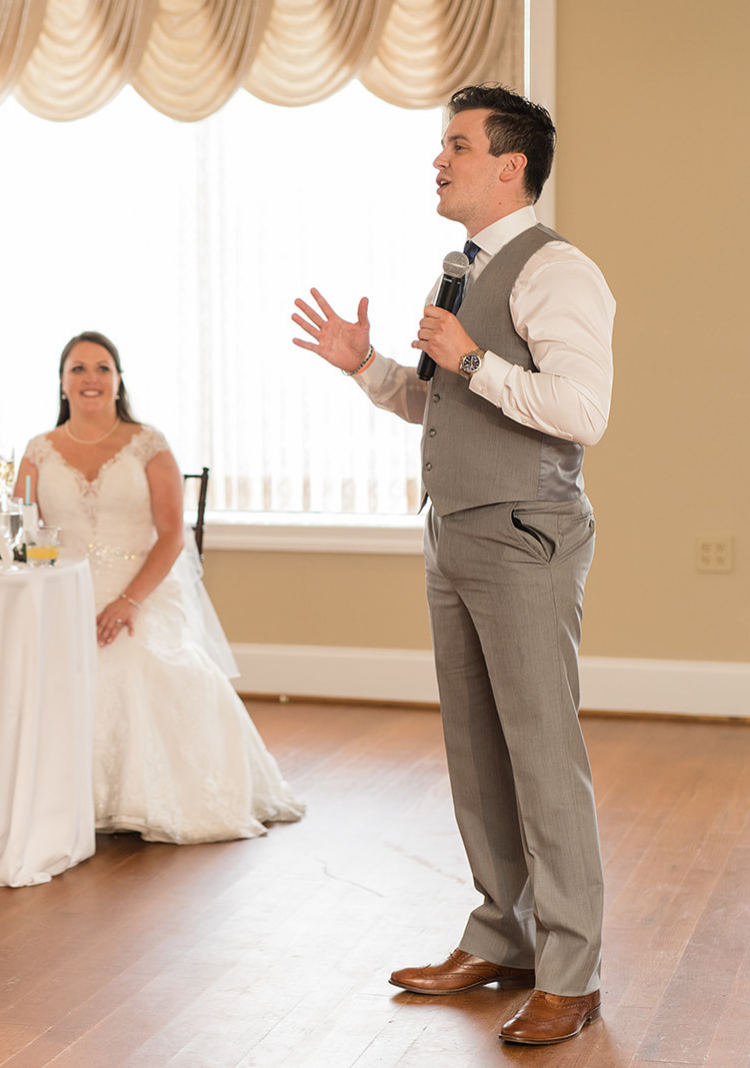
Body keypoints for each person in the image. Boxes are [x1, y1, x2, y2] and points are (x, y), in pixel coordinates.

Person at [291, 84, 615, 1046]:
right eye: (442, 144)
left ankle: (571, 969)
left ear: (511, 164)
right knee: (477, 752)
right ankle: (502, 937)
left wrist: (472, 361)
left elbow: (581, 412)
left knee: (543, 757)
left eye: (458, 145)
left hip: (525, 531)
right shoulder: (454, 268)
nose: (440, 159)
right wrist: (366, 366)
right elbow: (433, 401)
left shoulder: (560, 272)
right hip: (453, 530)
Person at [15, 330, 304, 845]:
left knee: (129, 662)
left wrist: (128, 602)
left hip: (141, 586)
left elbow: (172, 535)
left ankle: (141, 797)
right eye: (78, 368)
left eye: (102, 368)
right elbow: (22, 533)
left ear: (119, 380)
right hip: (64, 588)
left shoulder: (148, 443)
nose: (90, 378)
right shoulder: (38, 450)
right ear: (61, 383)